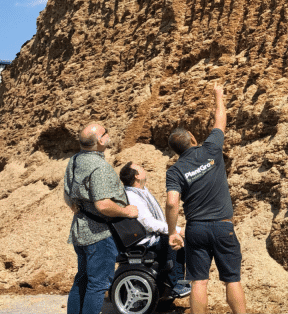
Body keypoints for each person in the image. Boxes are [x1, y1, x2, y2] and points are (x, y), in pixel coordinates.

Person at [165, 83, 247, 314]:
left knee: (199, 281)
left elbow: (172, 202)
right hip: (223, 226)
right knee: (232, 279)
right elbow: (220, 121)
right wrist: (218, 95)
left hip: (196, 229)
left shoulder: (175, 170)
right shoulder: (211, 148)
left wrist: (172, 231)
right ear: (192, 137)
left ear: (175, 151)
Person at [63, 122, 139, 314]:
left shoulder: (74, 161)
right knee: (97, 285)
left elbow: (67, 194)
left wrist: (77, 207)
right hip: (99, 235)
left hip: (80, 231)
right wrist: (127, 212)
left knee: (82, 280)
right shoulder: (100, 167)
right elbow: (103, 204)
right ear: (99, 140)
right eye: (106, 132)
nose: (108, 135)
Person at [119, 161, 191, 298]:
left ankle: (170, 283)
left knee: (175, 240)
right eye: (140, 168)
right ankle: (177, 284)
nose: (143, 169)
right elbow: (149, 223)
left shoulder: (142, 191)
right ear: (137, 176)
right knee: (175, 241)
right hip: (144, 240)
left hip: (151, 235)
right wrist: (176, 230)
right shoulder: (132, 196)